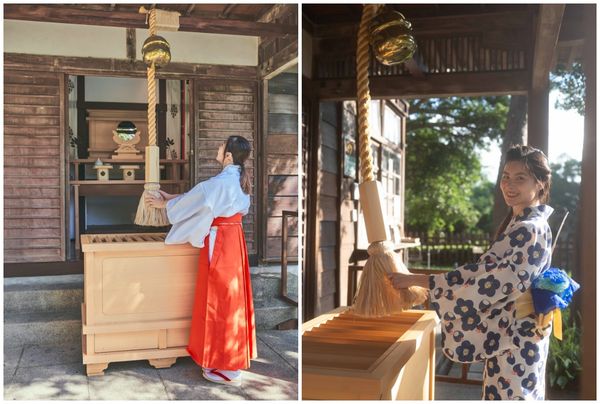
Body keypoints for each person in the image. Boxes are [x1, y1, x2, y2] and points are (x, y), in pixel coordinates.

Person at [388, 145, 554, 400]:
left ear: (541, 183)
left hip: (516, 337)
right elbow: (484, 272)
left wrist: (421, 280)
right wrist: (421, 280)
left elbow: (488, 282)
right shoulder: (523, 223)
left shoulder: (529, 228)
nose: (509, 185)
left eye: (520, 178)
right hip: (516, 333)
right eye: (505, 177)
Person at [146, 135, 256, 386]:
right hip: (233, 241)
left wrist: (165, 204)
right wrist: (172, 197)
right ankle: (230, 360)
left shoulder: (219, 183)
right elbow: (200, 199)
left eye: (221, 146)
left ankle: (223, 364)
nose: (217, 148)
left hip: (220, 243)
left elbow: (200, 201)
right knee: (231, 298)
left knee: (219, 301)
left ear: (228, 156)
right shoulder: (237, 180)